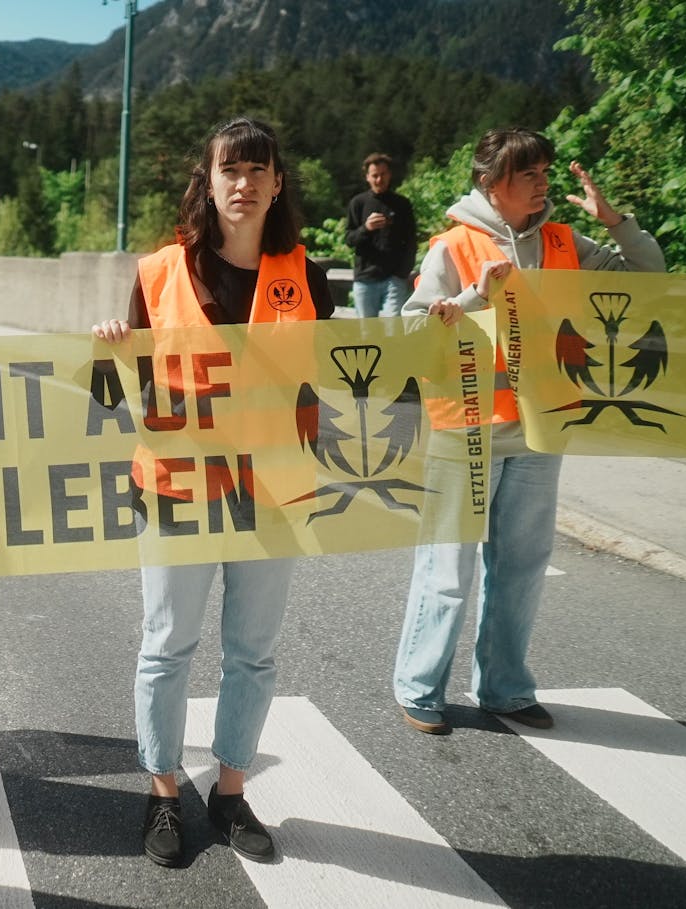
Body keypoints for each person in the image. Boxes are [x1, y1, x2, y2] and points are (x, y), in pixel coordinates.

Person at [92, 118, 332, 867]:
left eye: (259, 169)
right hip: (177, 488)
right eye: (231, 169)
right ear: (210, 179)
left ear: (277, 184)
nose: (245, 182)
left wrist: (441, 327)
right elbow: (122, 394)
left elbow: (353, 369)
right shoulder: (159, 272)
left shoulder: (308, 276)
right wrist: (111, 348)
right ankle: (164, 791)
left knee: (252, 653)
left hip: (274, 490)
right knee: (167, 645)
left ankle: (229, 791)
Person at [393, 127, 664, 735]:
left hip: (543, 428)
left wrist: (617, 221)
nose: (544, 185)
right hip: (464, 428)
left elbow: (648, 277)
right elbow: (413, 333)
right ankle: (418, 689)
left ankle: (506, 689)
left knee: (522, 564)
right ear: (491, 184)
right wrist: (470, 296)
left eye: (545, 173)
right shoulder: (453, 247)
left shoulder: (569, 241)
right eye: (530, 175)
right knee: (447, 568)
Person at [343, 152, 417, 317]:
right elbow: (349, 239)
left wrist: (403, 273)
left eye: (383, 174)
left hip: (394, 278)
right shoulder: (358, 203)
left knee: (394, 330)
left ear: (389, 175)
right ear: (367, 177)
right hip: (365, 278)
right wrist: (366, 228)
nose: (379, 179)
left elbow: (412, 242)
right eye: (375, 175)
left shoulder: (402, 204)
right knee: (367, 334)